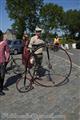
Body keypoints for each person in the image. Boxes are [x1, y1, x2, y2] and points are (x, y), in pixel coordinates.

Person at [0, 30, 10, 95]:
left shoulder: (4, 43)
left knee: (2, 75)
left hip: (2, 62)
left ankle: (1, 87)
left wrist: (6, 60)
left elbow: (8, 52)